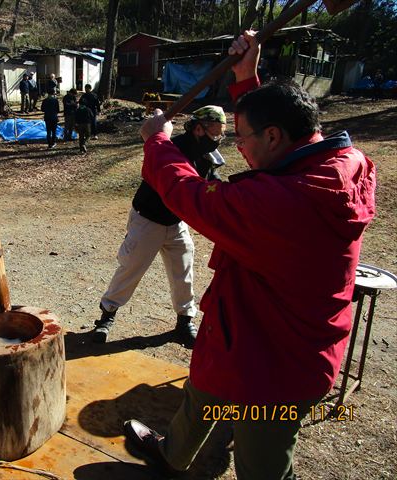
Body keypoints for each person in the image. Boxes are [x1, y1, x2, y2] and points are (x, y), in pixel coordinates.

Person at [124, 30, 376, 479]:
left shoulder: (284, 203)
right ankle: (173, 453)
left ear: (274, 135)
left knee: (263, 462)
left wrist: (158, 143)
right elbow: (278, 140)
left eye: (241, 137)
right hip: (246, 333)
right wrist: (246, 80)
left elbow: (193, 196)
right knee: (203, 389)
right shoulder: (333, 163)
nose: (236, 146)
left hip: (276, 371)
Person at [94, 106, 228, 346]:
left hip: (176, 222)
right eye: (215, 132)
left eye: (221, 133)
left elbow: (209, 182)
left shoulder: (208, 154)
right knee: (130, 268)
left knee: (183, 271)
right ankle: (107, 316)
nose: (218, 138)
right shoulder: (169, 150)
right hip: (148, 219)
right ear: (199, 129)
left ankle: (185, 321)